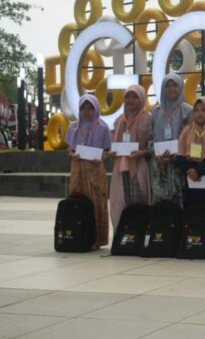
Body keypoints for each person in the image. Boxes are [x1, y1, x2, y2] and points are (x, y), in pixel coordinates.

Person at [66, 94, 112, 250]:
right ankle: (79, 234)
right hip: (78, 169)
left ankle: (96, 239)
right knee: (78, 199)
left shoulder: (103, 127)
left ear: (96, 109)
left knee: (96, 202)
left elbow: (107, 151)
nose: (86, 112)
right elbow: (70, 150)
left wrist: (100, 157)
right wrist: (72, 155)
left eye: (90, 108)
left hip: (95, 170)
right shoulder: (73, 127)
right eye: (83, 108)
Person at [109, 84, 151, 228]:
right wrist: (112, 153)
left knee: (140, 199)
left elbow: (152, 143)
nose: (131, 100)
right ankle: (124, 234)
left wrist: (143, 152)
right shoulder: (119, 120)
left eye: (135, 97)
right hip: (121, 168)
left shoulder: (148, 118)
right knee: (121, 200)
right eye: (128, 97)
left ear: (142, 99)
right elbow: (113, 143)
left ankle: (140, 235)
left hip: (140, 166)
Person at [149, 73, 192, 205]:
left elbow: (191, 139)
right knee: (160, 206)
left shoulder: (188, 111)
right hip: (159, 166)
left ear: (181, 88)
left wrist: (177, 155)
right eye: (167, 86)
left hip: (179, 165)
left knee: (180, 203)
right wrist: (155, 154)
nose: (171, 89)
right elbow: (150, 138)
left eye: (175, 85)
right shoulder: (156, 112)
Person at [175, 96, 205, 210]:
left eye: (204, 110)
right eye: (196, 110)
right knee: (192, 210)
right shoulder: (187, 130)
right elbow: (180, 155)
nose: (199, 114)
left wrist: (198, 170)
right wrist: (191, 171)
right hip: (191, 179)